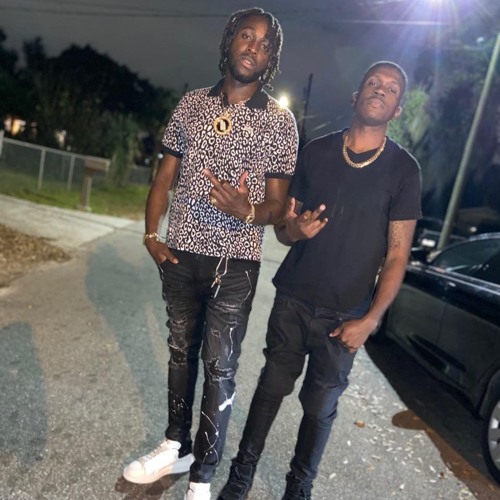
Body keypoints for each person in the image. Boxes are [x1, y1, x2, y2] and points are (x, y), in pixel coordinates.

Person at [218, 61, 422, 500]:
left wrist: (370, 319)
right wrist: (295, 231)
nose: (380, 90)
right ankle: (240, 476)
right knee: (270, 390)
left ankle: (299, 487)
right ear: (356, 96)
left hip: (345, 315)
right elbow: (283, 229)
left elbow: (397, 255)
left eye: (391, 89)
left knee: (320, 406)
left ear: (398, 109)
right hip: (294, 299)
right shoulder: (317, 152)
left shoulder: (404, 171)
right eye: (373, 83)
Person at [122, 7, 298, 500]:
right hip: (180, 255)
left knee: (219, 367)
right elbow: (164, 177)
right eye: (246, 36)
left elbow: (278, 206)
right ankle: (174, 446)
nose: (253, 47)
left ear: (271, 58)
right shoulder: (191, 104)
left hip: (234, 263)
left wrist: (247, 209)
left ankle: (202, 477)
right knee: (181, 352)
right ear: (229, 41)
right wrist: (151, 236)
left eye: (264, 44)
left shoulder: (279, 122)